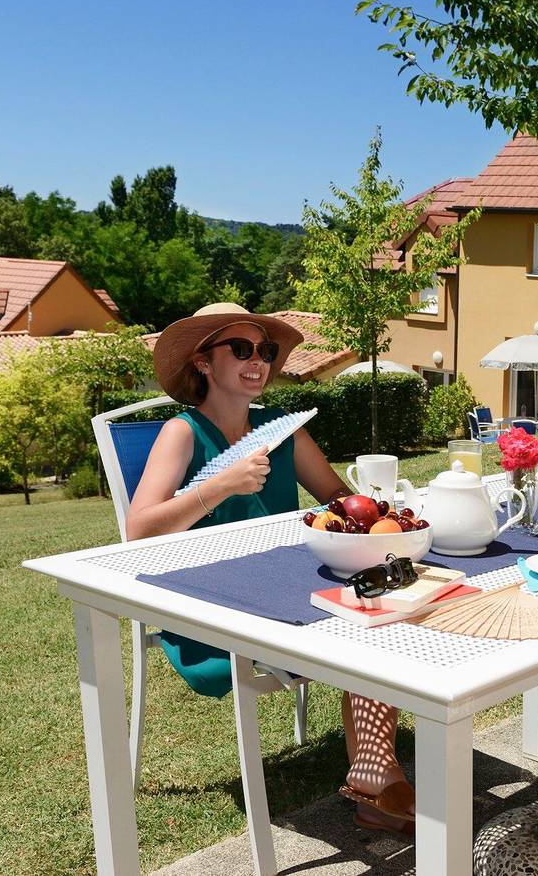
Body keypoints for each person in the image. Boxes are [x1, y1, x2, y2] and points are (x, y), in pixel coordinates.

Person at [127, 302, 415, 835]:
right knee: (364, 620)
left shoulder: (283, 432)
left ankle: (375, 771)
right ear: (203, 364)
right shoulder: (181, 433)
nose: (257, 360)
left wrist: (382, 516)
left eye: (265, 351)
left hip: (286, 588)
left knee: (377, 606)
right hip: (210, 609)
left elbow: (342, 502)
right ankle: (376, 774)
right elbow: (139, 529)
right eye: (239, 349)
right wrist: (221, 485)